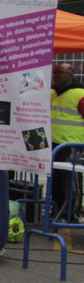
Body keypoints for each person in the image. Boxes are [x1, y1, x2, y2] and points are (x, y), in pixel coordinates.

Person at [51, 63, 84, 216]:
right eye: (55, 72)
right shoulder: (51, 92)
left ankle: (71, 214)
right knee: (55, 181)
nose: (56, 75)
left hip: (71, 145)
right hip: (52, 145)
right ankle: (57, 210)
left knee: (69, 183)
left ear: (71, 75)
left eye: (60, 72)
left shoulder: (80, 94)